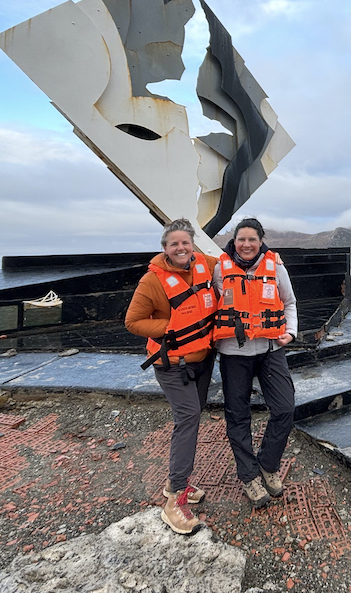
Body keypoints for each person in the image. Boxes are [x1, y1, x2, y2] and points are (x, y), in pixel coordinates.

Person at [125, 218, 217, 535]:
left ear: (193, 246)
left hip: (203, 358)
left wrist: (271, 259)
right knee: (188, 417)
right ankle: (175, 500)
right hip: (172, 363)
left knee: (194, 414)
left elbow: (232, 265)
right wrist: (170, 329)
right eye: (174, 243)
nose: (181, 248)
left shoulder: (205, 264)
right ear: (165, 248)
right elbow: (133, 321)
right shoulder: (151, 282)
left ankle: (175, 482)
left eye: (186, 242)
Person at [213, 217, 298, 507]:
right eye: (241, 239)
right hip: (233, 354)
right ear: (233, 241)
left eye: (252, 239)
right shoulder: (219, 269)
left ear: (261, 241)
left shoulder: (276, 267)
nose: (246, 244)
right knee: (238, 415)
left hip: (271, 349)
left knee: (285, 408)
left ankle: (268, 464)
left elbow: (289, 302)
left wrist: (291, 332)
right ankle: (249, 475)